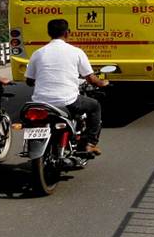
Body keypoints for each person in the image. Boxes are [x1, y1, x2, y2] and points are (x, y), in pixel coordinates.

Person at [26, 19, 109, 156]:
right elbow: (91, 79)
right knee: (95, 106)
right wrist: (103, 82)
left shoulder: (38, 53)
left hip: (40, 102)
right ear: (67, 33)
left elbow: (29, 81)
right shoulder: (76, 52)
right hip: (67, 101)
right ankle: (90, 144)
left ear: (48, 33)